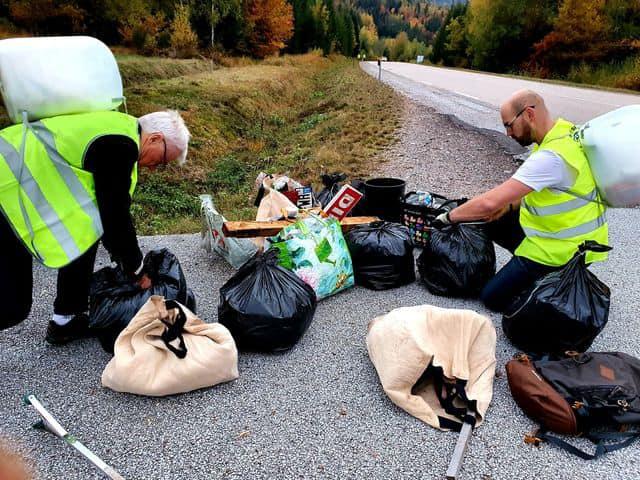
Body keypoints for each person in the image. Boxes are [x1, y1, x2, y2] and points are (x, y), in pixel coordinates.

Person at [0, 109, 191, 343]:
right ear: (154, 138)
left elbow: (103, 219)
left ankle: (65, 319)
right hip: (6, 185)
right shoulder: (120, 145)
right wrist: (138, 270)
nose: (153, 168)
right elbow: (115, 218)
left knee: (84, 232)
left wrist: (127, 261)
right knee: (12, 306)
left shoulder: (120, 130)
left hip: (13, 182)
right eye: (161, 161)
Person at [433, 89, 609, 312]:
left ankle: (552, 285)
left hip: (559, 252)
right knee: (495, 217)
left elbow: (488, 203)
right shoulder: (567, 133)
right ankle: (540, 276)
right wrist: (507, 207)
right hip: (581, 243)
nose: (508, 133)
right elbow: (527, 196)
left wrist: (448, 217)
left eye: (509, 125)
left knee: (491, 297)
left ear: (528, 114)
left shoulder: (550, 157)